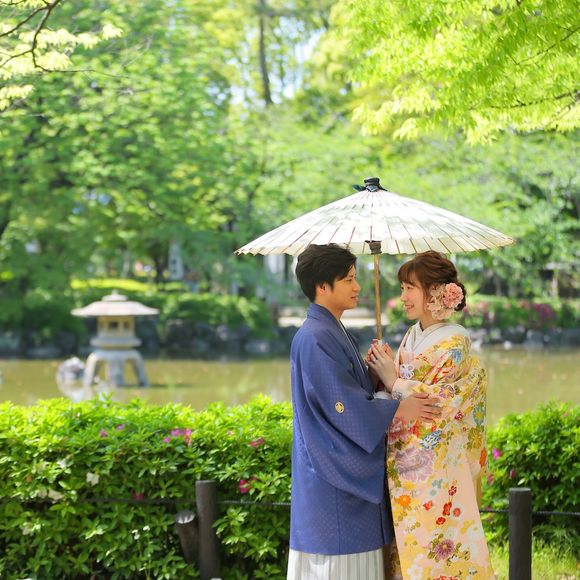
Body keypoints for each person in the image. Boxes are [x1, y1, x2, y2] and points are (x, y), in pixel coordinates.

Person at [287, 244, 441, 580]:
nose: (357, 287)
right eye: (348, 280)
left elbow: (344, 395)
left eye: (356, 278)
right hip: (333, 481)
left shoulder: (330, 330)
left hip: (337, 476)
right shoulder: (314, 337)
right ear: (322, 286)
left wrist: (371, 375)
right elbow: (342, 407)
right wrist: (399, 407)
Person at [367, 250, 494, 579]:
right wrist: (382, 372)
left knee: (436, 544)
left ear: (435, 293)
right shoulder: (413, 334)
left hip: (437, 463)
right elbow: (401, 391)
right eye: (402, 288)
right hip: (407, 460)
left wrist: (394, 381)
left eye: (410, 288)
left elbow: (439, 404)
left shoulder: (455, 341)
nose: (403, 296)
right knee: (408, 544)